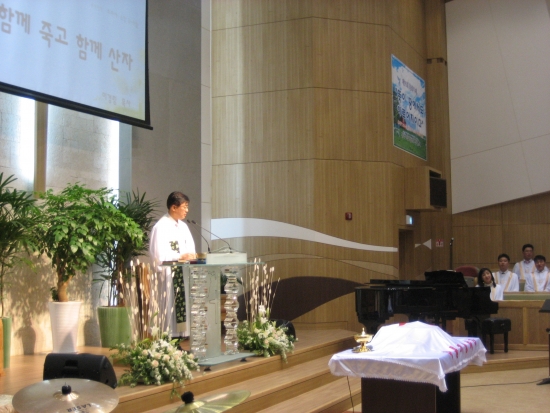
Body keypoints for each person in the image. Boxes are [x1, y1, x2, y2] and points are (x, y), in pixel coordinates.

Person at [149, 192, 197, 337]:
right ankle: (168, 340)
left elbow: (191, 250)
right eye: (184, 206)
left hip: (183, 273)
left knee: (182, 309)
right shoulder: (161, 227)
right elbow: (158, 256)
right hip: (169, 276)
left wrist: (192, 256)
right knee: (169, 308)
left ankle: (179, 339)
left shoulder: (183, 227)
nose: (187, 210)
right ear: (174, 207)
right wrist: (179, 256)